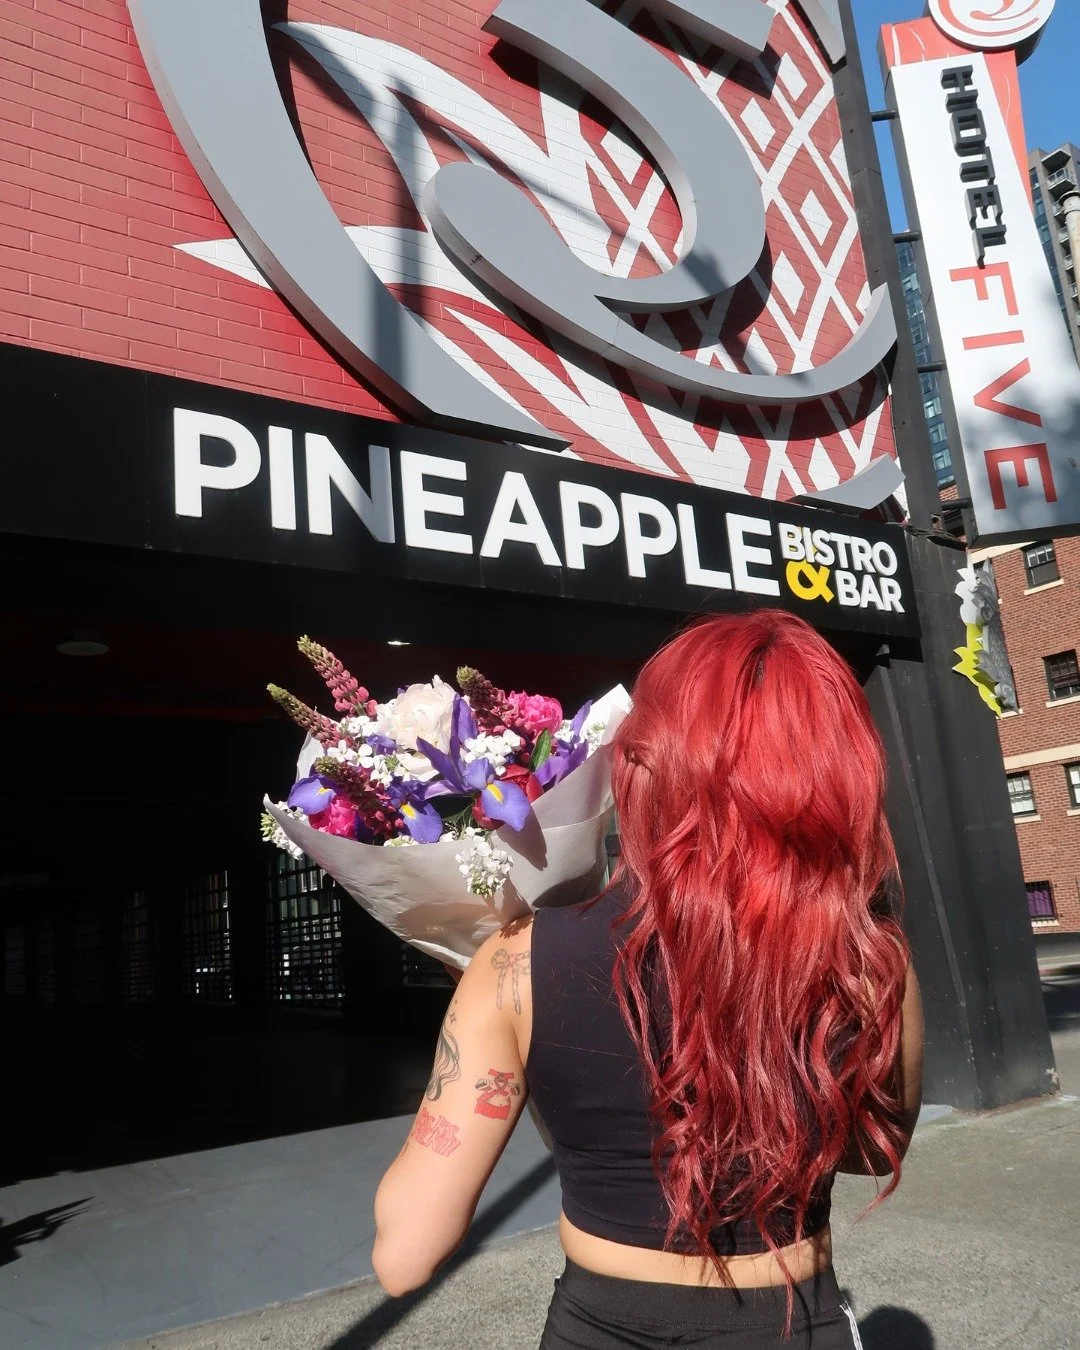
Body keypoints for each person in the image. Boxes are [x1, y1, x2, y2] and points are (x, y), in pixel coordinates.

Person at [372, 610, 924, 1347]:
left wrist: (501, 1014)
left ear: (642, 761)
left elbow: (403, 1255)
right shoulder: (869, 961)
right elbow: (866, 1152)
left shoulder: (513, 967)